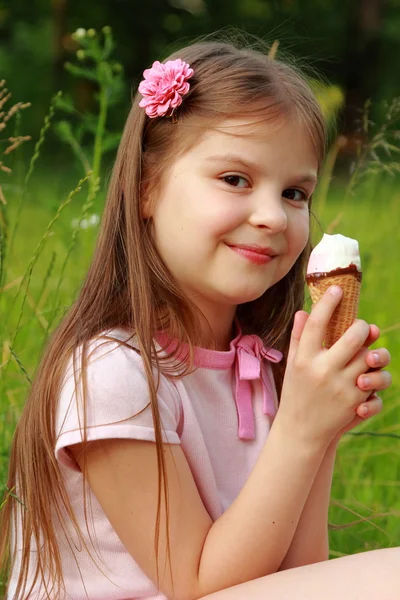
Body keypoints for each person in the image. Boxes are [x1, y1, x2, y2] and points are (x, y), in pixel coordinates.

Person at [0, 37, 397, 600]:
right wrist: (301, 430)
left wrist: (322, 427)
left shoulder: (263, 363)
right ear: (147, 188)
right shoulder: (112, 375)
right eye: (235, 179)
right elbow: (192, 584)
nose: (270, 216)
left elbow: (303, 574)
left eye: (294, 192)